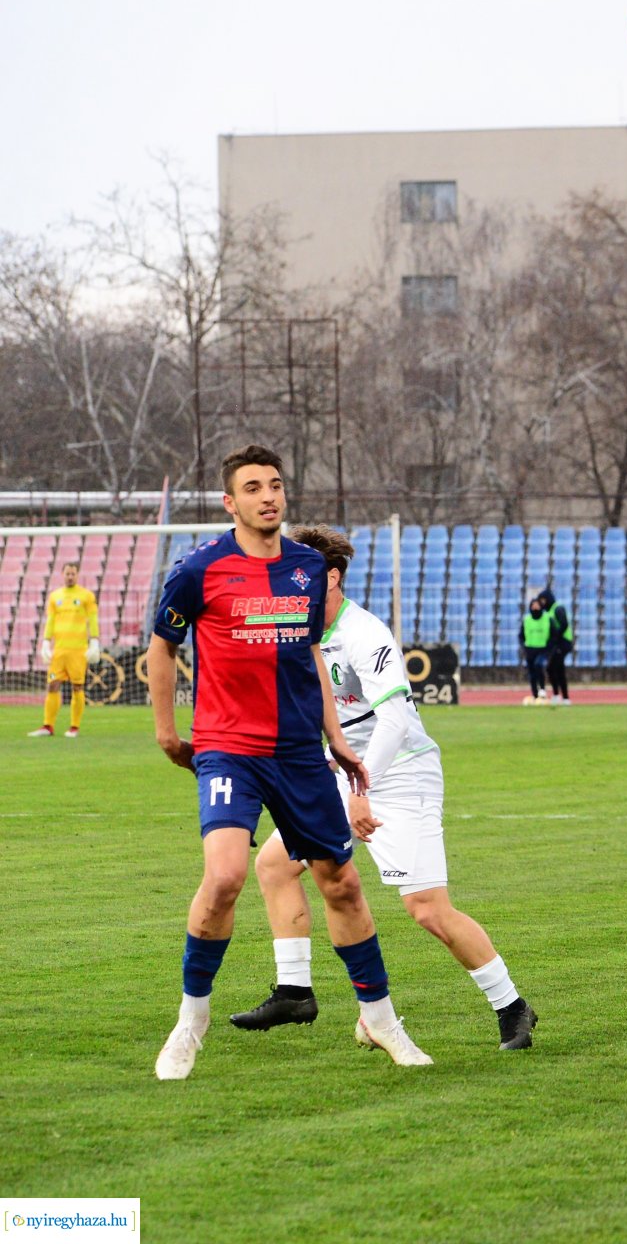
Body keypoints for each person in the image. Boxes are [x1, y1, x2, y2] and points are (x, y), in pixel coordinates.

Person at [148, 443, 432, 1080]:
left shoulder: (306, 569)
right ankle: (190, 1023)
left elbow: (310, 658)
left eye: (275, 485)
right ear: (231, 502)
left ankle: (383, 1022)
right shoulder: (198, 569)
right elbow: (162, 648)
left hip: (301, 751)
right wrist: (169, 732)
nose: (268, 496)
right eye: (253, 488)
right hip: (228, 747)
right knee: (225, 878)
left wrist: (337, 739)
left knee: (343, 883)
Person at [229, 525, 538, 1050]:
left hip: (399, 775)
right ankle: (294, 990)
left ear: (331, 577)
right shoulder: (298, 633)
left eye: (298, 573)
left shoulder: (365, 634)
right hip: (341, 776)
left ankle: (513, 1007)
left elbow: (394, 720)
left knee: (427, 908)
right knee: (275, 865)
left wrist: (361, 791)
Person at [30, 561, 98, 738]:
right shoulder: (55, 596)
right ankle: (48, 726)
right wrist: (45, 642)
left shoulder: (86, 596)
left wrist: (95, 641)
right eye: (67, 573)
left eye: (73, 573)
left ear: (77, 574)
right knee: (52, 685)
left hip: (78, 650)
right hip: (59, 650)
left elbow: (92, 619)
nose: (70, 576)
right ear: (62, 574)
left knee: (77, 686)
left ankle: (74, 727)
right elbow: (51, 620)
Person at [538, 587, 573, 705]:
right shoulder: (549, 611)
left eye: (543, 600)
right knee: (555, 669)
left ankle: (562, 696)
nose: (542, 603)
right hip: (558, 643)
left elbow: (564, 624)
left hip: (563, 642)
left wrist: (556, 636)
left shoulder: (557, 609)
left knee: (554, 668)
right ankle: (561, 696)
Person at [520, 595, 551, 704]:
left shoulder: (547, 618)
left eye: (537, 605)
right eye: (533, 605)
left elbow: (553, 634)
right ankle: (535, 694)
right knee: (531, 673)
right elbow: (521, 635)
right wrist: (524, 646)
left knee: (539, 665)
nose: (535, 607)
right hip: (530, 649)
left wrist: (550, 647)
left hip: (543, 648)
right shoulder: (527, 619)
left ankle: (542, 689)